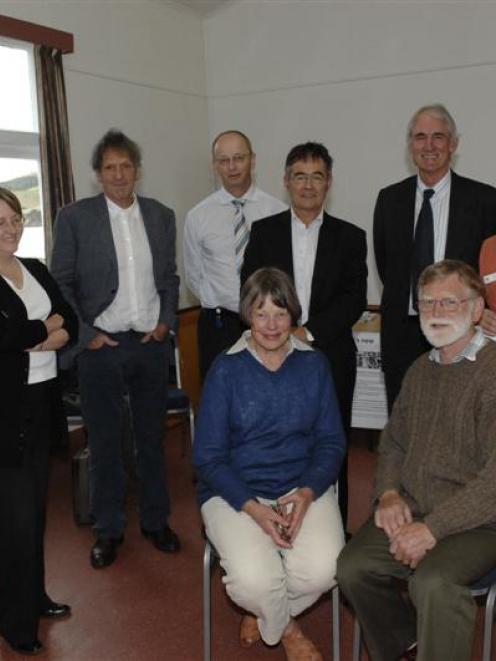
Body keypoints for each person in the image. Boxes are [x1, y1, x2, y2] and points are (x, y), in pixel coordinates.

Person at [337, 260, 496, 661]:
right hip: (415, 505)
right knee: (353, 566)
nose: (436, 313)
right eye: (427, 303)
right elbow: (393, 443)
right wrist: (388, 493)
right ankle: (407, 641)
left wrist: (433, 529)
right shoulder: (419, 370)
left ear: (477, 309)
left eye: (449, 302)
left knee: (433, 582)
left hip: (481, 523)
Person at [194, 267, 345, 661]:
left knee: (327, 570)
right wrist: (255, 509)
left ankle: (266, 615)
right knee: (253, 583)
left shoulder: (315, 364)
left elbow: (331, 442)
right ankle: (286, 628)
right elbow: (208, 457)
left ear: (293, 315)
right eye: (261, 313)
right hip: (235, 494)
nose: (272, 325)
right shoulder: (226, 369)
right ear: (248, 316)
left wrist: (308, 492)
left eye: (281, 313)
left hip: (301, 486)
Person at [51, 129, 180, 569]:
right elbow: (60, 283)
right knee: (103, 444)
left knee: (151, 440)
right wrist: (87, 335)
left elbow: (169, 278)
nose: (119, 174)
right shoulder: (75, 218)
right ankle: (107, 530)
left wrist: (166, 323)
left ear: (138, 172)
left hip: (148, 344)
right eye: (110, 167)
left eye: (127, 166)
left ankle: (155, 521)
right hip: (100, 346)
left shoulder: (161, 215)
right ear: (97, 175)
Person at [241, 141, 367, 530]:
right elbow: (249, 291)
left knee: (333, 445)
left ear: (329, 182)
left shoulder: (350, 236)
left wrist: (306, 332)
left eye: (317, 176)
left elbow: (354, 299)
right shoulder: (264, 232)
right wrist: (280, 334)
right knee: (279, 443)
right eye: (300, 176)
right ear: (286, 180)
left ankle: (333, 530)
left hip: (331, 357)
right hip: (273, 357)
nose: (308, 185)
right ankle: (279, 522)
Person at [373, 103, 496, 412]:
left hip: (464, 332)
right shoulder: (389, 200)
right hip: (402, 333)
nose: (429, 146)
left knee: (460, 422)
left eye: (438, 137)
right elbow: (388, 266)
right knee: (404, 421)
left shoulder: (485, 200)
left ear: (453, 144)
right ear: (410, 145)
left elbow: (492, 267)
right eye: (420, 137)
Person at [0, 188, 78, 655]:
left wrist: (46, 334)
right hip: (7, 413)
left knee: (36, 512)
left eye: (15, 219)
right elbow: (6, 335)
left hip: (43, 405)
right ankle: (14, 619)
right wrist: (44, 330)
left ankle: (34, 594)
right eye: (0, 221)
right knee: (14, 519)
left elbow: (69, 315)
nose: (10, 228)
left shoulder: (35, 268)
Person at [183, 130, 286, 380]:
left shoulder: (277, 210)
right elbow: (194, 276)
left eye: (239, 158)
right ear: (214, 165)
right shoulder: (198, 216)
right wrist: (220, 300)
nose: (232, 166)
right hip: (219, 325)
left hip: (269, 323)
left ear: (253, 159)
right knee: (220, 400)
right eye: (224, 160)